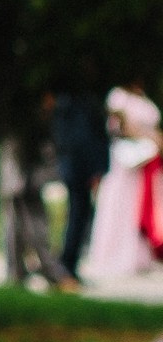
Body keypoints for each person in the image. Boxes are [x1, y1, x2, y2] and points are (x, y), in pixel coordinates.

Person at [83, 83, 162, 289]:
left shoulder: (144, 97)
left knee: (140, 206)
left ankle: (139, 256)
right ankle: (114, 254)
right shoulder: (118, 96)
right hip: (125, 161)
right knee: (120, 205)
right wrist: (151, 137)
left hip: (144, 163)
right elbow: (118, 127)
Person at [49, 88, 111, 284]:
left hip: (75, 168)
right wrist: (95, 169)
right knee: (77, 217)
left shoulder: (68, 104)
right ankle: (67, 266)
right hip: (79, 169)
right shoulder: (79, 105)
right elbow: (84, 140)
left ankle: (69, 265)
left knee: (78, 217)